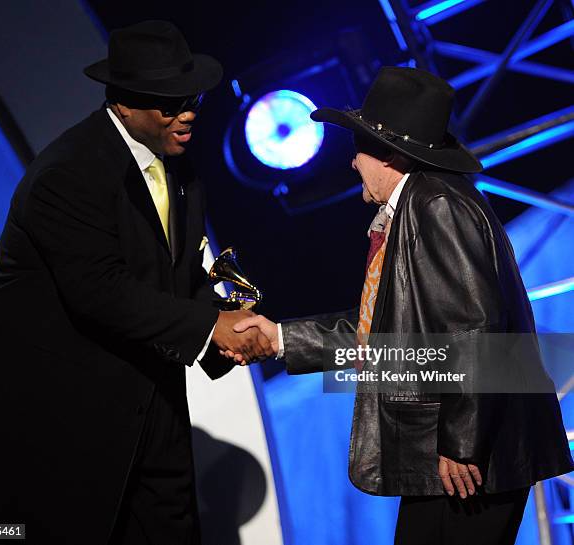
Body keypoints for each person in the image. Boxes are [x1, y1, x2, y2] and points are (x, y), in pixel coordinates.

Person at [228, 67, 573, 545]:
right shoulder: (418, 205)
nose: (352, 164)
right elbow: (385, 332)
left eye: (360, 149)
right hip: (446, 452)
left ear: (390, 155)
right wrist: (281, 338)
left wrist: (462, 444)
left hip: (470, 459)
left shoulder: (437, 206)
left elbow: (476, 327)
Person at [0, 20, 273, 545]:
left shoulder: (183, 171)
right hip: (57, 416)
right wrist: (209, 326)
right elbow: (100, 291)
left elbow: (176, 276)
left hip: (149, 398)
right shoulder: (67, 172)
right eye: (168, 104)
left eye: (190, 97)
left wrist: (232, 331)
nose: (186, 112)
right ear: (124, 104)